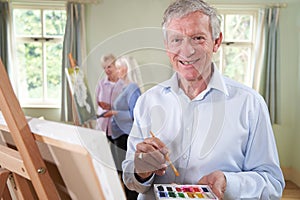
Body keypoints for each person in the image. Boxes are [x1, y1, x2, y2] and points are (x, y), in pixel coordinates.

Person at [122, 0, 285, 199]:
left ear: (217, 42)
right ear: (166, 46)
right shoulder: (147, 101)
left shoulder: (250, 104)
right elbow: (130, 177)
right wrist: (141, 171)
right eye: (176, 40)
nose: (187, 51)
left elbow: (273, 183)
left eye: (197, 38)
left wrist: (228, 182)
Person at [111, 56, 142, 199]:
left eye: (118, 68)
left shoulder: (133, 88)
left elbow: (135, 113)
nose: (116, 71)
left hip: (126, 135)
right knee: (122, 175)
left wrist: (115, 113)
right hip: (119, 135)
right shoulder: (124, 87)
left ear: (125, 69)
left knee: (128, 176)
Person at [95, 53, 123, 143]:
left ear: (116, 66)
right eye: (104, 68)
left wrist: (112, 107)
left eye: (109, 67)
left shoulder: (123, 84)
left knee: (117, 154)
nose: (107, 70)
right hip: (102, 124)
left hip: (117, 126)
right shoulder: (101, 83)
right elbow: (97, 102)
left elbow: (127, 106)